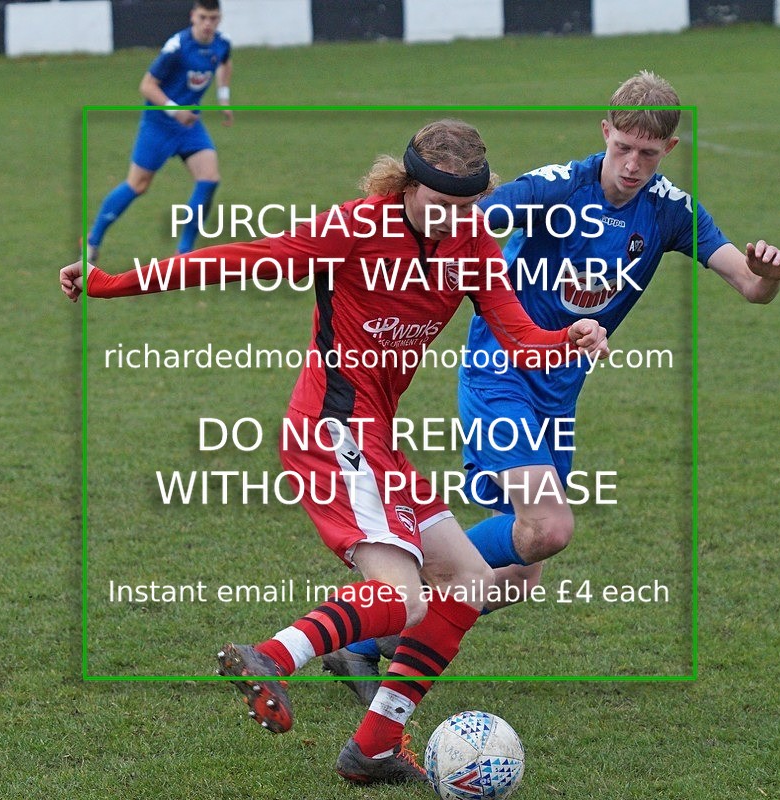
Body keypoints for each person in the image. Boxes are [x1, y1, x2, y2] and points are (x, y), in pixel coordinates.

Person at [61, 119, 607, 784]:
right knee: (402, 599)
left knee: (468, 584)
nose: (450, 222)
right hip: (333, 430)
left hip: (378, 439)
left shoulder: (472, 243)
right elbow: (238, 258)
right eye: (438, 208)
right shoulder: (355, 227)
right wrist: (112, 282)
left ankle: (373, 747)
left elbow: (519, 336)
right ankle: (270, 655)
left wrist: (568, 338)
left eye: (465, 208)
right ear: (406, 186)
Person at [323, 70, 780, 705]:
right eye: (622, 147)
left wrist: (767, 273)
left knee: (519, 572)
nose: (631, 164)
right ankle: (374, 600)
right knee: (549, 525)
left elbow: (752, 287)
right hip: (500, 374)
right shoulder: (554, 188)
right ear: (605, 132)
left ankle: (367, 640)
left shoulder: (672, 212)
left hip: (558, 396)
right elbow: (465, 219)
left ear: (668, 150)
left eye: (647, 154)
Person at [86, 0, 233, 262]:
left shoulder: (221, 44)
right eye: (203, 17)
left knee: (209, 178)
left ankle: (184, 252)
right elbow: (147, 85)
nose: (208, 24)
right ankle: (92, 241)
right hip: (159, 124)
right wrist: (176, 110)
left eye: (213, 18)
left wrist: (223, 97)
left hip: (189, 126)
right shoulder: (177, 47)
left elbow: (225, 63)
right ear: (193, 17)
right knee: (138, 185)